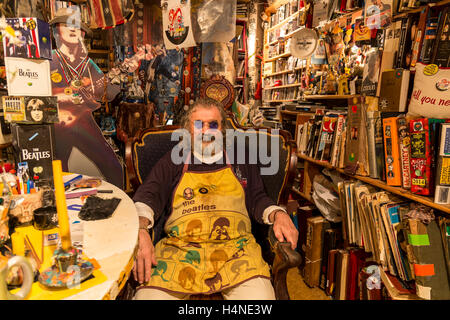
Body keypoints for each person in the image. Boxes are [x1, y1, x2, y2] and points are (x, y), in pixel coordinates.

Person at [132, 98, 298, 300]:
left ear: (222, 129)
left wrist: (278, 214)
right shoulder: (173, 160)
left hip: (236, 250)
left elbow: (258, 197)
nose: (206, 131)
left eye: (213, 124)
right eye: (198, 124)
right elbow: (148, 195)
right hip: (181, 250)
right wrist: (140, 229)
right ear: (187, 130)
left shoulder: (240, 158)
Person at [48, 8, 124, 189]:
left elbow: (107, 94)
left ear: (83, 33)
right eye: (67, 25)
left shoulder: (87, 63)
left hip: (83, 123)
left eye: (77, 27)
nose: (73, 29)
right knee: (58, 174)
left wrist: (115, 80)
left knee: (114, 167)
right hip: (56, 126)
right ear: (57, 29)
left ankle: (120, 205)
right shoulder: (48, 60)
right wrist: (65, 95)